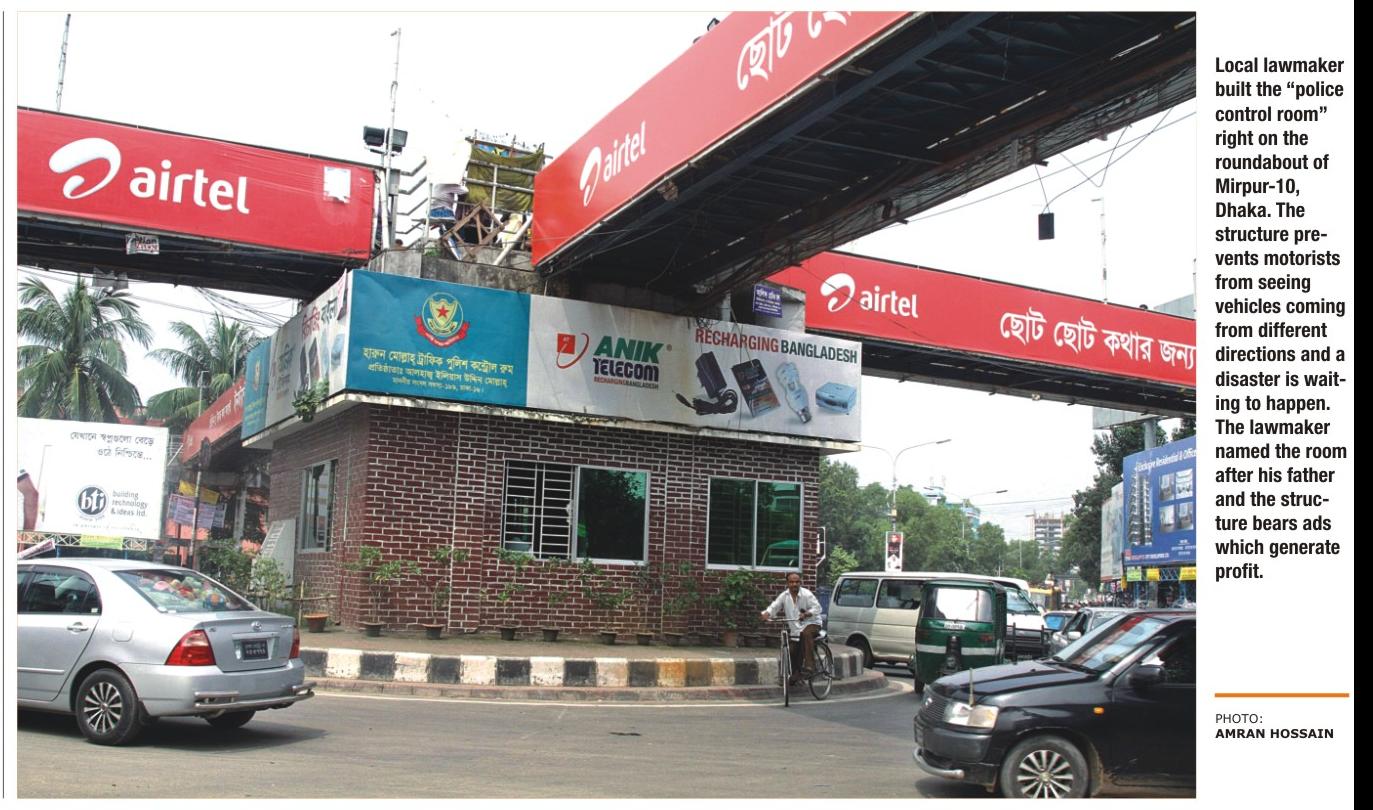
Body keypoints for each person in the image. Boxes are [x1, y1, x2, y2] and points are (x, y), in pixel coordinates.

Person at [759, 572, 823, 683]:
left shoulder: (807, 594)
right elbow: (775, 606)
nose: (794, 584)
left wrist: (807, 614)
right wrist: (767, 614)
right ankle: (795, 675)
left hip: (812, 623)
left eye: (797, 582)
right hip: (796, 629)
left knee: (806, 634)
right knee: (792, 649)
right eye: (792, 582)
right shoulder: (784, 596)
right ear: (787, 583)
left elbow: (817, 608)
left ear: (800, 583)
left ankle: (810, 666)